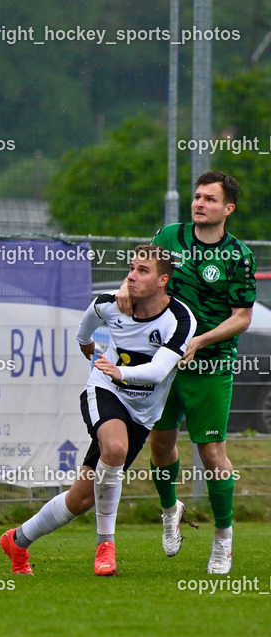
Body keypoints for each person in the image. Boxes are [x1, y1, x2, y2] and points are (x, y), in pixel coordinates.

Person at [1, 245, 195, 576]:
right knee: (115, 448)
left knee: (82, 498)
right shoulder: (107, 304)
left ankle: (17, 541)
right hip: (103, 391)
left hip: (142, 414)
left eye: (142, 271)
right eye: (131, 268)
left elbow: (159, 371)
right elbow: (83, 335)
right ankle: (106, 546)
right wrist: (98, 363)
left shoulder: (180, 319)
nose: (132, 276)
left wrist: (122, 371)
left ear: (163, 279)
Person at [116, 171, 255, 575]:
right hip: (164, 360)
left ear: (227, 209)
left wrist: (200, 341)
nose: (199, 203)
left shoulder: (239, 256)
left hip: (210, 365)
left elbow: (242, 317)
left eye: (210, 199)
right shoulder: (169, 237)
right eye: (197, 196)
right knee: (159, 444)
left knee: (212, 453)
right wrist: (128, 287)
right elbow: (145, 270)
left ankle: (223, 538)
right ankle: (168, 509)